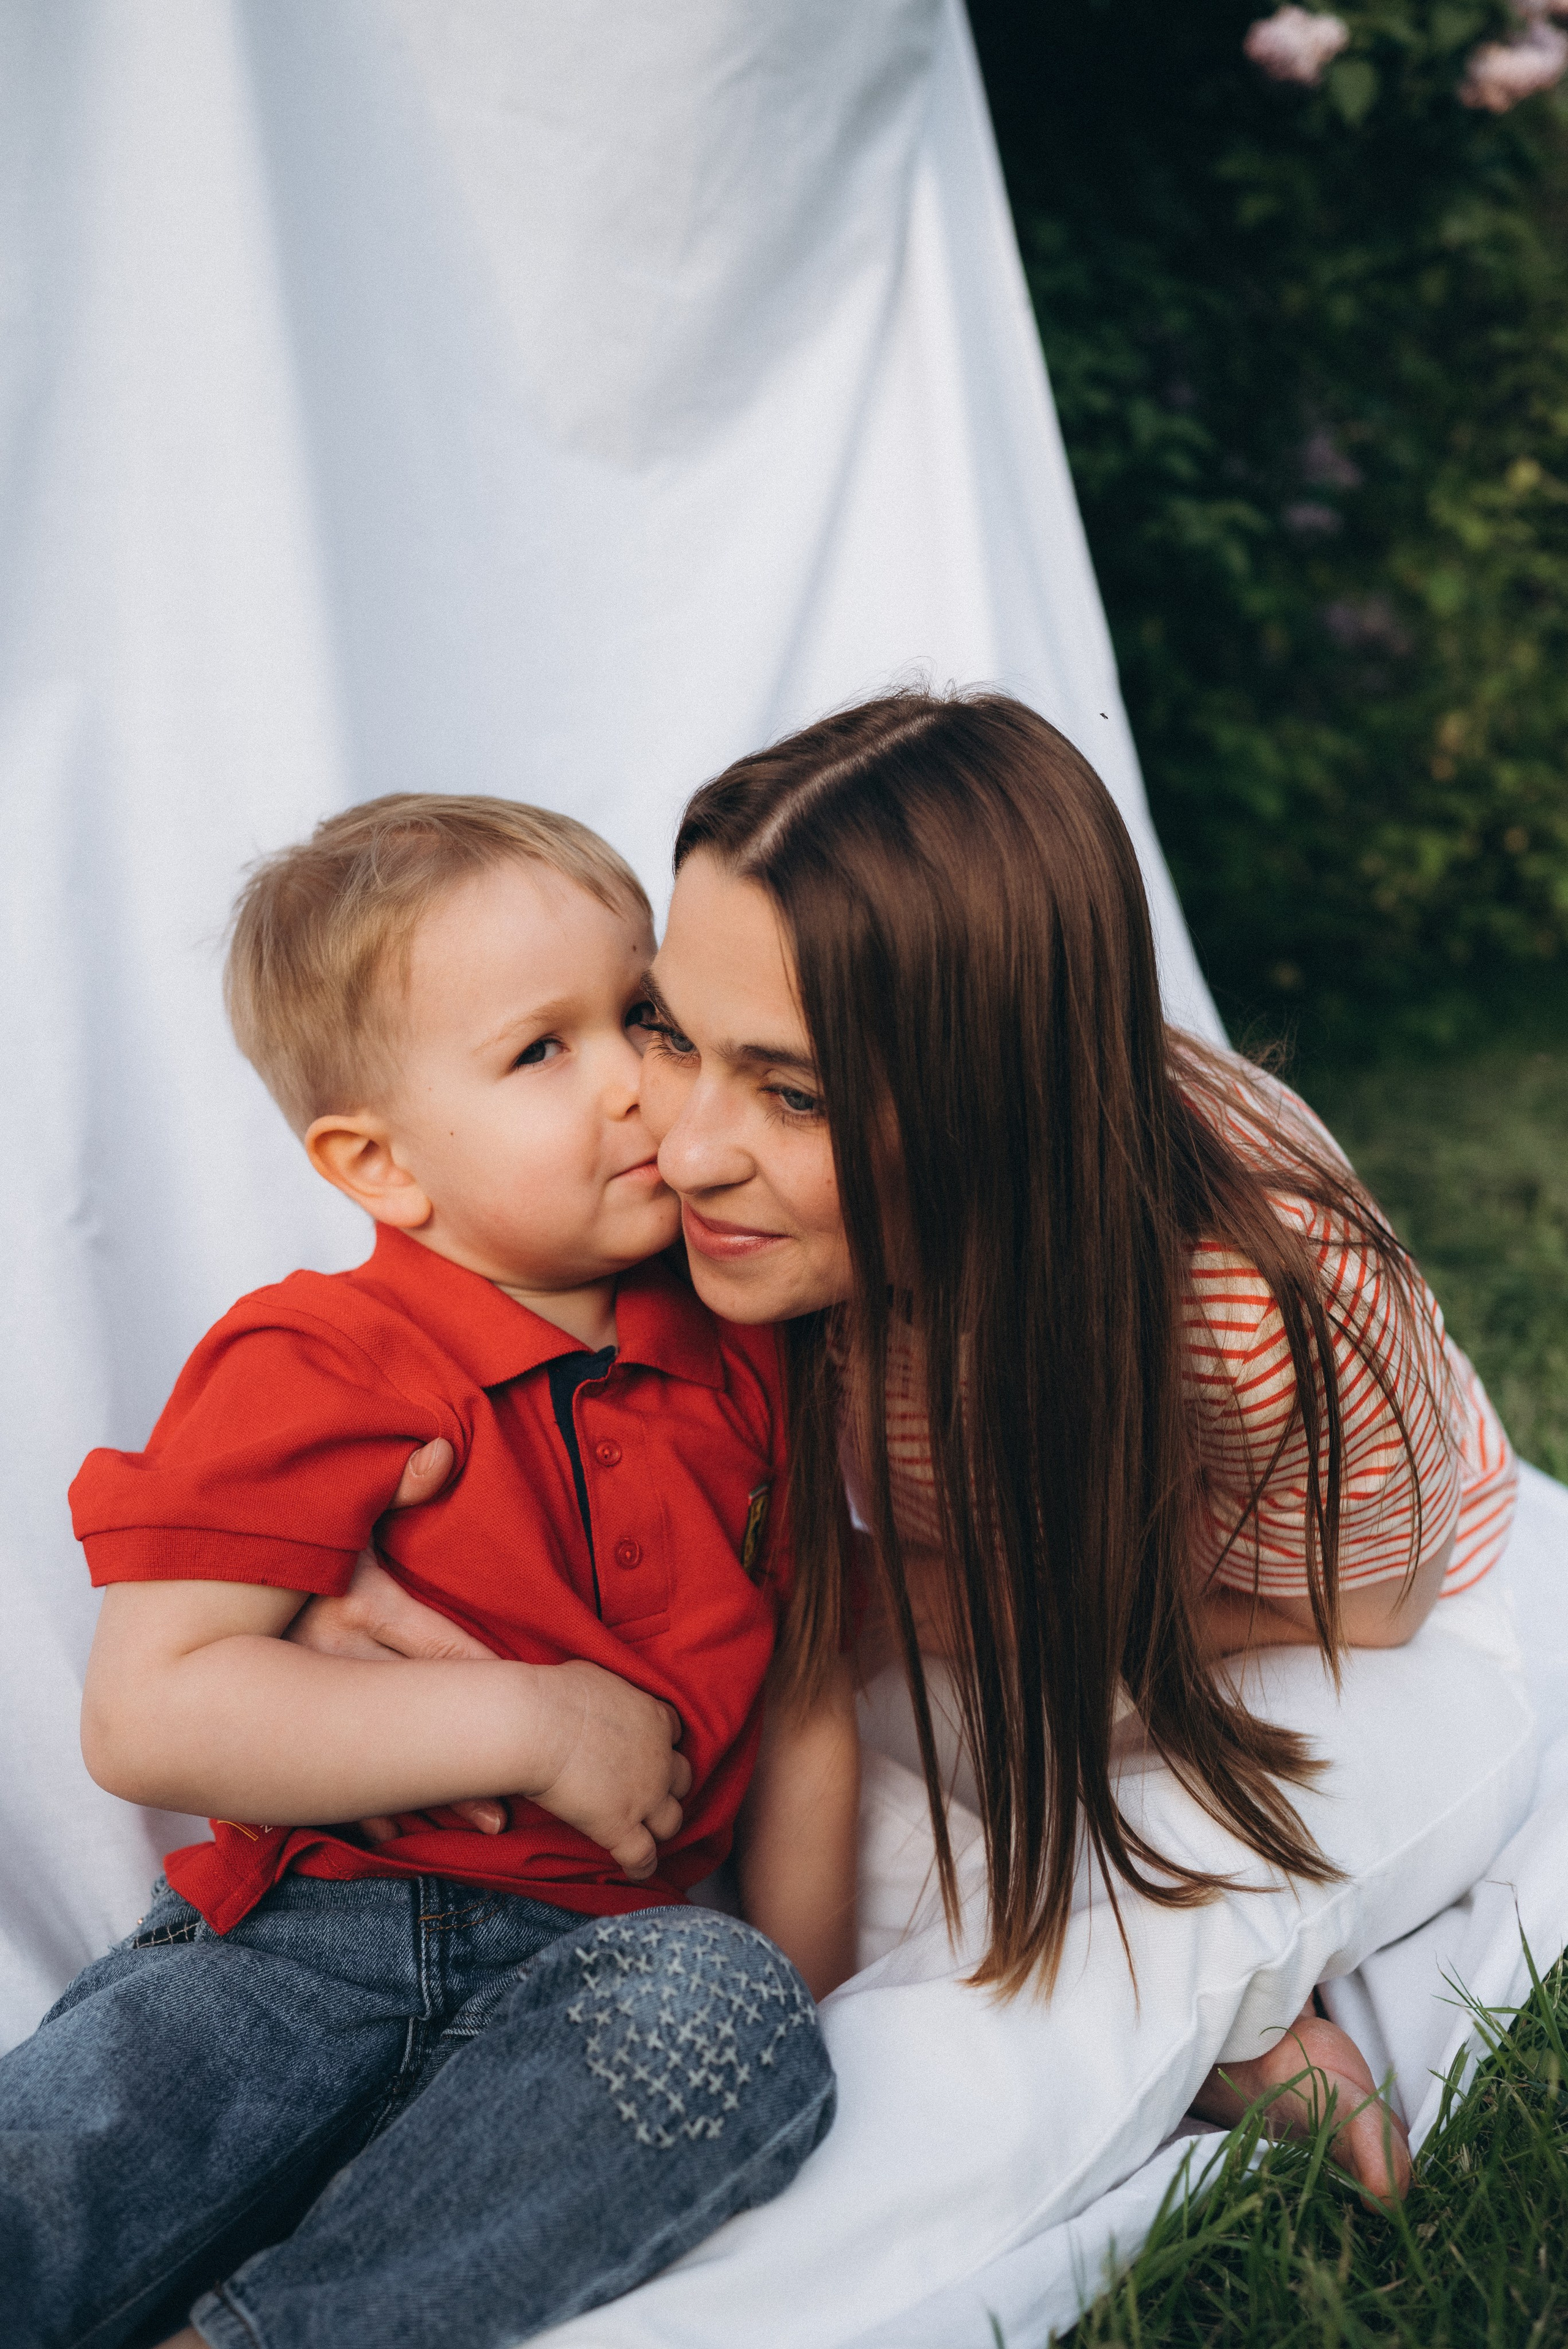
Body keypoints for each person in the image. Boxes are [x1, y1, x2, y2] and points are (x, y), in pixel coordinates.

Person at [306, 695, 1529, 2233]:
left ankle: (1200, 2013)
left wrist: (890, 1601)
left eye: (794, 1091)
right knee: (804, 1785)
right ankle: (1150, 1990)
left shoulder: (1250, 1295)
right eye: (675, 1030)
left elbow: (1370, 1601)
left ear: (988, 1107)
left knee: (1275, 1822)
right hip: (989, 1588)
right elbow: (463, 1363)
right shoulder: (706, 1196)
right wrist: (364, 1565)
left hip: (1296, 1608)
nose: (681, 1148)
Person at [0, 795, 853, 2349]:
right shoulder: (322, 1355)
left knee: (719, 2020)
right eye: (544, 1051)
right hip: (296, 1950)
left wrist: (804, 1991)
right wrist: (538, 1724)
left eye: (641, 1017)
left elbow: (801, 1700)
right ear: (376, 1163)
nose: (631, 1086)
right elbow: (150, 1708)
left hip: (595, 1977)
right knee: (65, 2165)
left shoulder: (745, 1352)